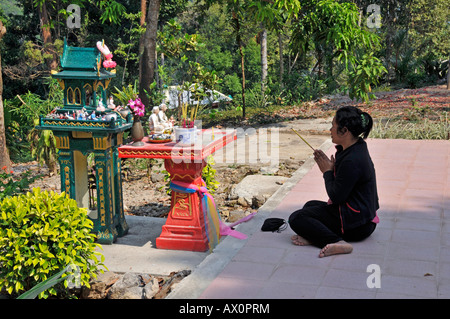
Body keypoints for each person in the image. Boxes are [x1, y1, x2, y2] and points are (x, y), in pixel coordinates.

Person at [288, 106, 379, 258]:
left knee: (296, 218)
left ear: (344, 131)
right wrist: (332, 168)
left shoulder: (352, 159)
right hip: (362, 219)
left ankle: (339, 242)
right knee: (310, 205)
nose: (330, 130)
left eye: (333, 126)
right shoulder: (357, 147)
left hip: (357, 226)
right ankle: (315, 236)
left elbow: (336, 197)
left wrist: (327, 172)